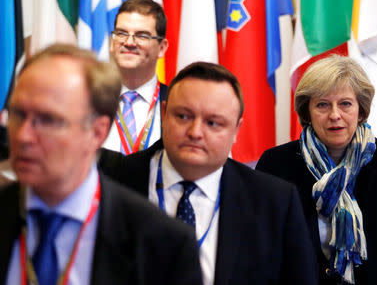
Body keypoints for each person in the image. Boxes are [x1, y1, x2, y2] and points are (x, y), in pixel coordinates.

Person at [99, 61, 318, 285]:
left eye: (213, 123)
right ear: (164, 114)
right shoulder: (109, 181)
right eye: (183, 116)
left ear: (236, 130)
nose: (195, 132)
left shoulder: (275, 202)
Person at [0, 44, 203, 285]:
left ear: (97, 132)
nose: (23, 136)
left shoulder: (161, 243)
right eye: (18, 114)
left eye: (48, 120)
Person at [256, 55, 377, 285]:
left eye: (345, 103)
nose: (335, 115)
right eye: (322, 104)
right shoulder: (276, 165)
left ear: (361, 110)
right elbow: (257, 252)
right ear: (307, 112)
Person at [104, 0, 169, 154]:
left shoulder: (176, 103)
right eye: (121, 33)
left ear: (161, 48)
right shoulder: (88, 100)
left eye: (142, 36)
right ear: (112, 43)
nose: (129, 42)